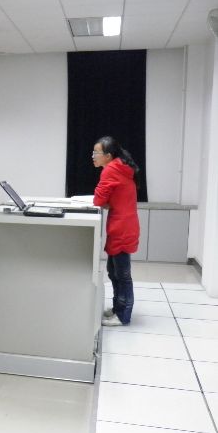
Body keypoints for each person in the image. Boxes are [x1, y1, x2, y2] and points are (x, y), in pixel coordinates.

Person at [93, 136, 140, 327]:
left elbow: (98, 200)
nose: (93, 156)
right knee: (114, 272)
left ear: (108, 155)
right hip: (124, 225)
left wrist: (106, 202)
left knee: (122, 275)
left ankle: (123, 316)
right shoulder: (120, 167)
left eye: (96, 152)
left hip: (121, 228)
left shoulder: (111, 169)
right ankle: (117, 308)